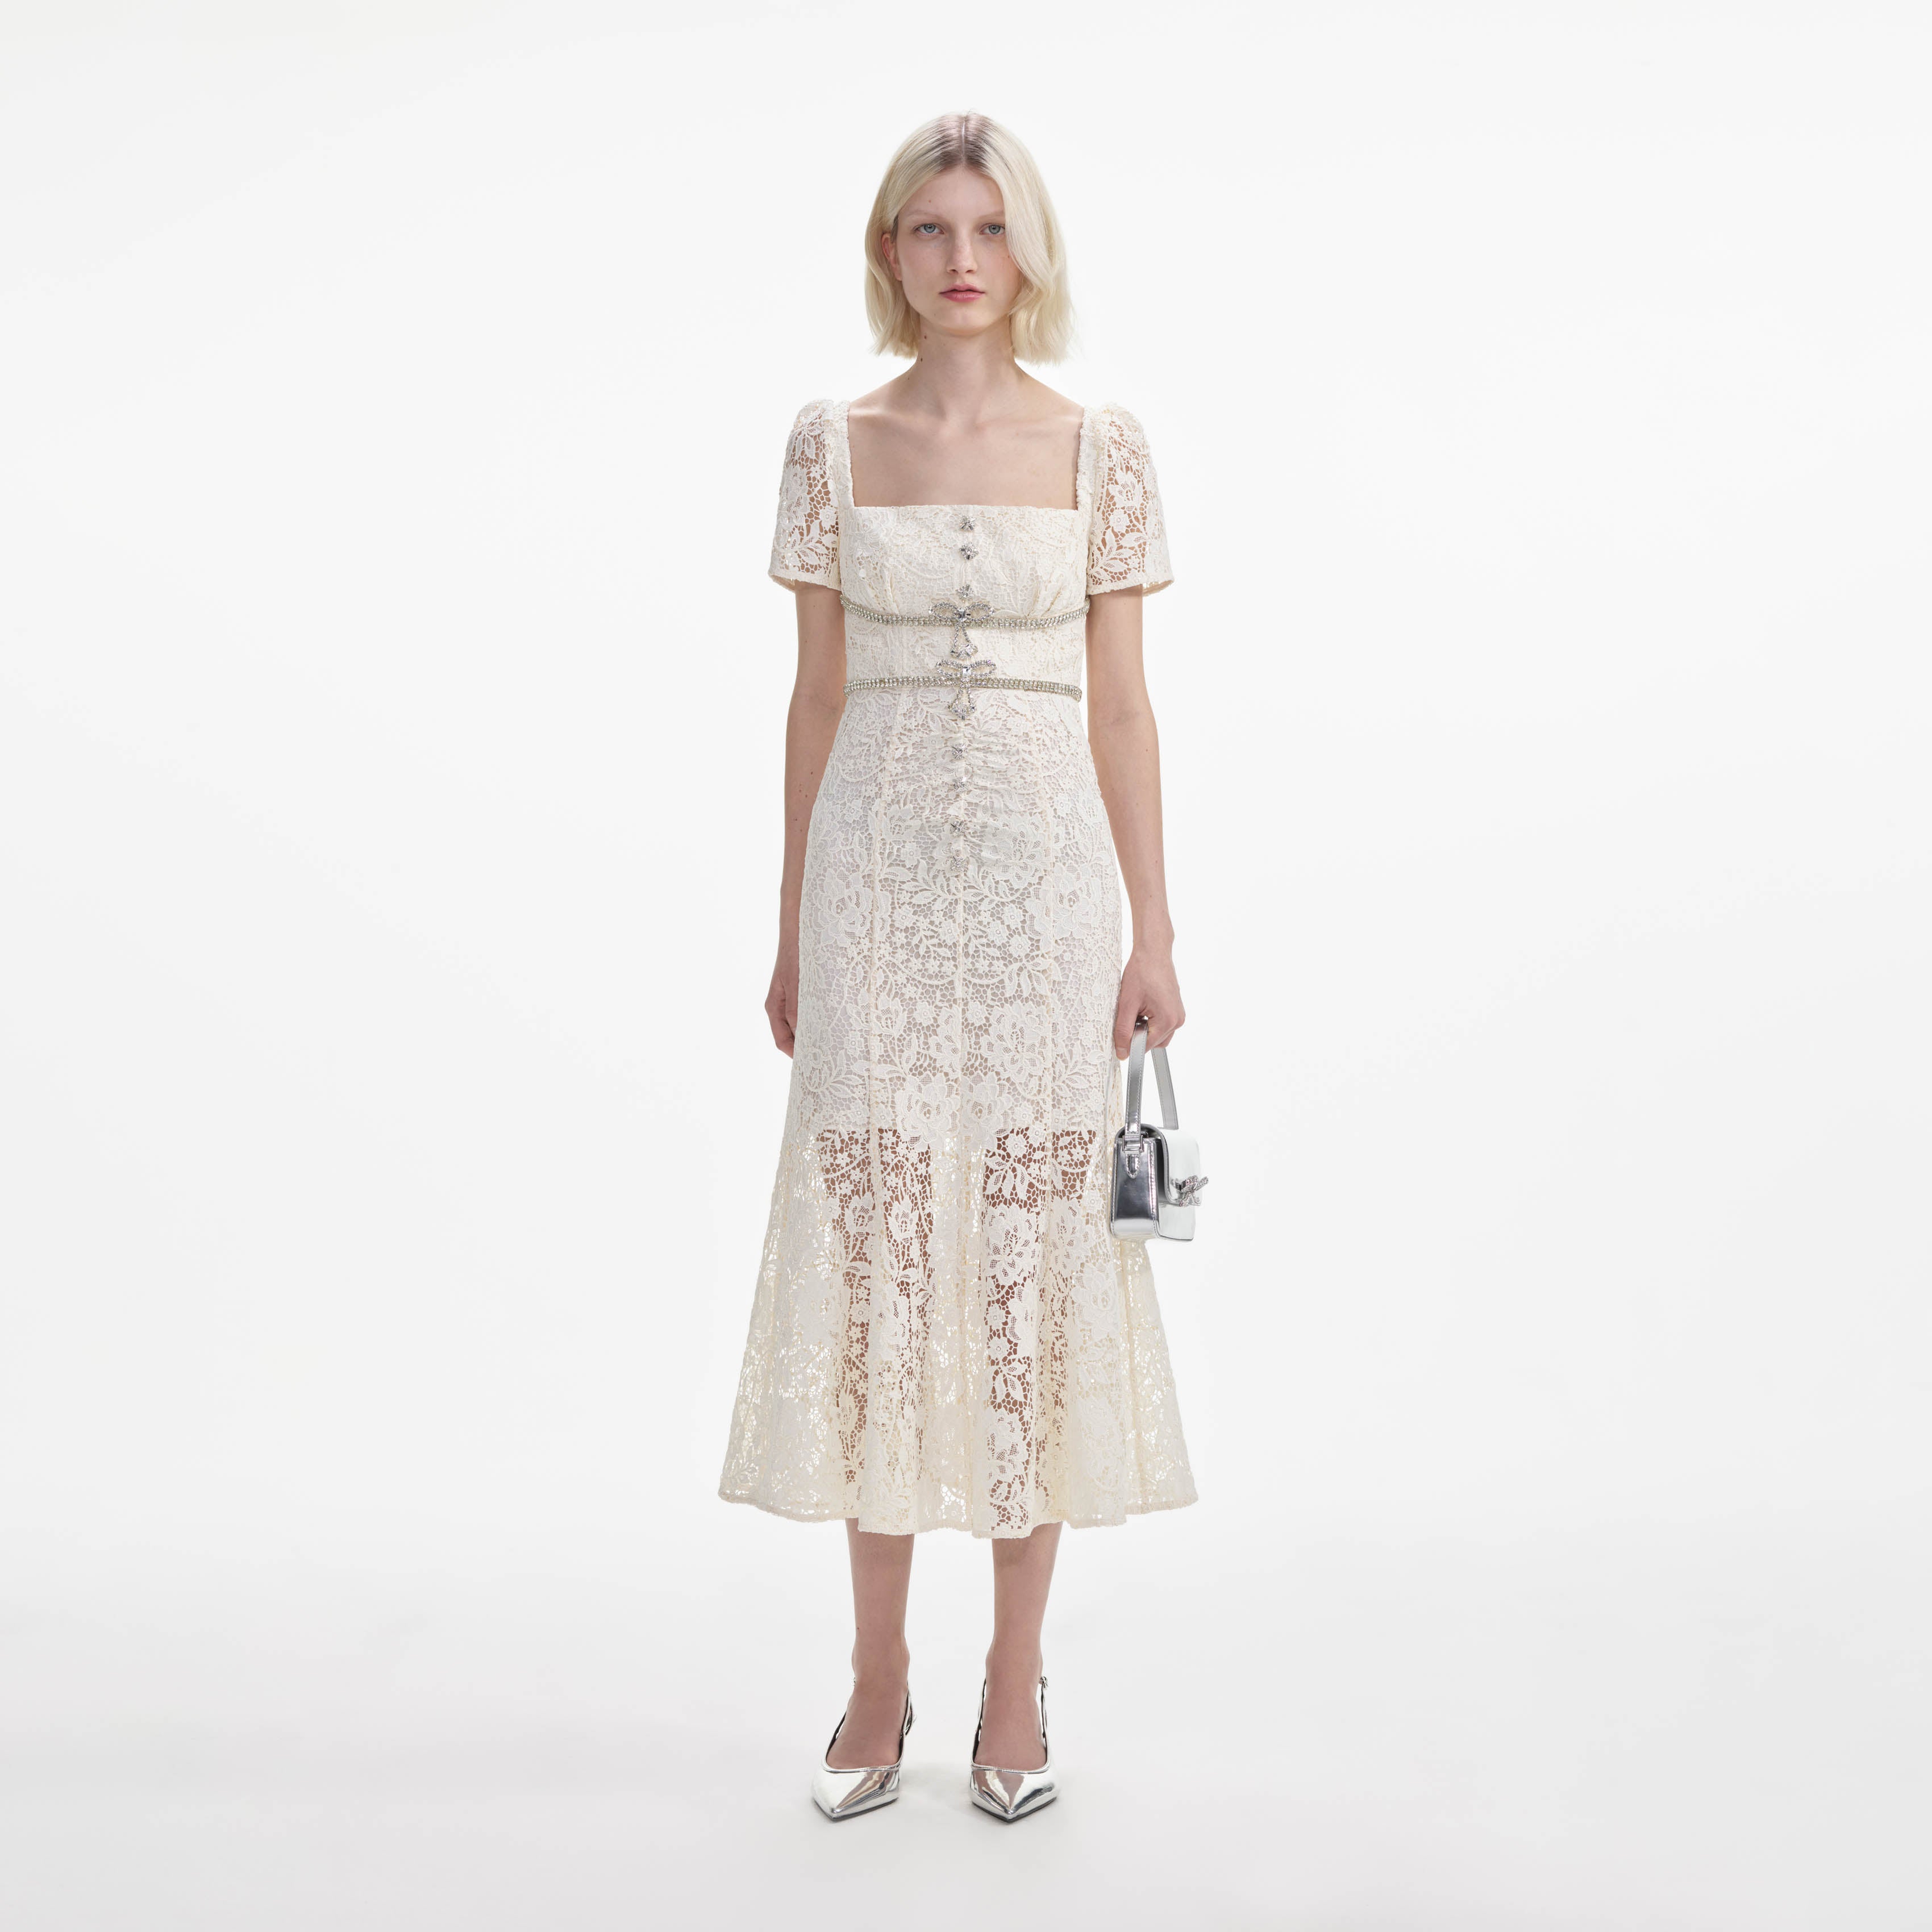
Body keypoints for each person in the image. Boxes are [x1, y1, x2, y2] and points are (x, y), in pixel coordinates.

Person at [718, 111, 1196, 1823]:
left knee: (1028, 1271)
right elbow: (815, 697)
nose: (963, 257)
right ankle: (875, 1673)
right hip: (875, 890)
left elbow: (1124, 706)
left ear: (1030, 249)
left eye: (990, 227)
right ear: (890, 252)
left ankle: (1012, 1678)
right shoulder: (830, 444)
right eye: (930, 228)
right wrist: (793, 920)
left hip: (1048, 895)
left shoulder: (1102, 447)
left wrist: (1154, 928)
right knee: (880, 1258)